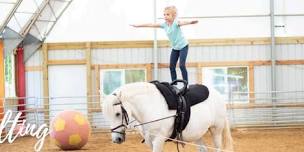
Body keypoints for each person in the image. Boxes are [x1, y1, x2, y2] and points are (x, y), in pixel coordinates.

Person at [131, 5, 198, 82]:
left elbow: (182, 22)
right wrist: (138, 26)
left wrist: (190, 22)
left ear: (173, 15)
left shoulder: (176, 23)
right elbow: (151, 24)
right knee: (171, 66)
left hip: (183, 46)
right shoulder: (164, 25)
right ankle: (174, 82)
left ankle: (186, 83)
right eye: (164, 15)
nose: (165, 16)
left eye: (168, 14)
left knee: (182, 65)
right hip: (175, 47)